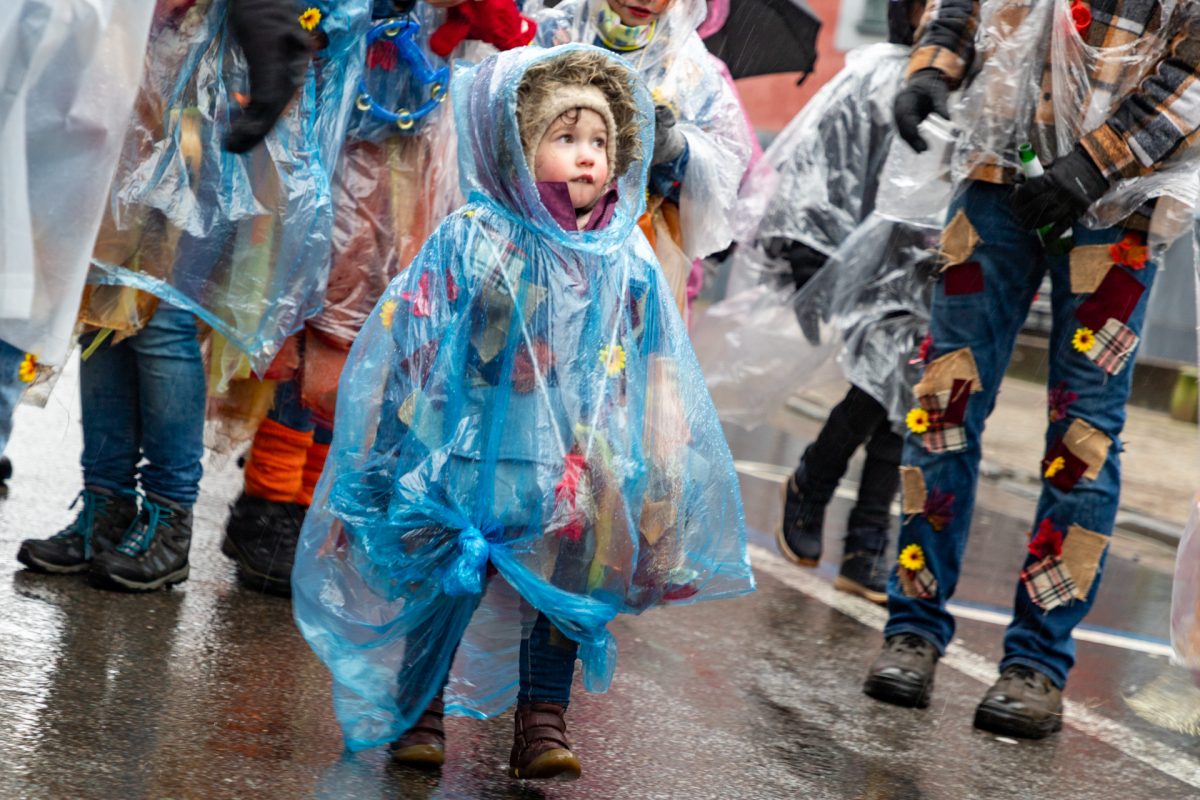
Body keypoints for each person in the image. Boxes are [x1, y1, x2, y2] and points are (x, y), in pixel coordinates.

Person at [291, 44, 754, 781]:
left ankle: (542, 719)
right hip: (471, 448)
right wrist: (394, 443)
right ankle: (422, 711)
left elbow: (655, 358)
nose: (586, 158)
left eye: (600, 142)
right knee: (453, 574)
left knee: (568, 587)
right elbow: (413, 339)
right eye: (565, 138)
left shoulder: (622, 257)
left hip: (579, 460)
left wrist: (658, 447)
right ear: (516, 146)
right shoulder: (473, 240)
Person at [863, 0, 1200, 739]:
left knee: (1083, 436)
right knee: (944, 401)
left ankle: (1037, 664)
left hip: (1116, 210)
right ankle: (912, 628)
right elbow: (961, 9)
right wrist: (931, 69)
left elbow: (1195, 66)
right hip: (992, 179)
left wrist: (1090, 164)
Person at [14, 0, 365, 591]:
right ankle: (106, 506)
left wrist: (271, 64)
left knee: (163, 321)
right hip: (142, 95)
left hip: (216, 109)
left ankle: (168, 517)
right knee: (104, 304)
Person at [221, 0, 469, 596]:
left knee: (366, 345)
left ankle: (305, 506)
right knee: (305, 330)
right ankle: (267, 504)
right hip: (330, 157)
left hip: (411, 170)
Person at [758, 0, 928, 605]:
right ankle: (816, 483)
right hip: (871, 260)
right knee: (877, 386)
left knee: (908, 399)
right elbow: (818, 164)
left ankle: (866, 538)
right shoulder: (876, 73)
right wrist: (812, 254)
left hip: (938, 263)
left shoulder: (977, 86)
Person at [525, 0, 752, 319]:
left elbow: (725, 168)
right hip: (539, 246)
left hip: (638, 266)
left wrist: (676, 150)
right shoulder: (548, 34)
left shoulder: (688, 63)